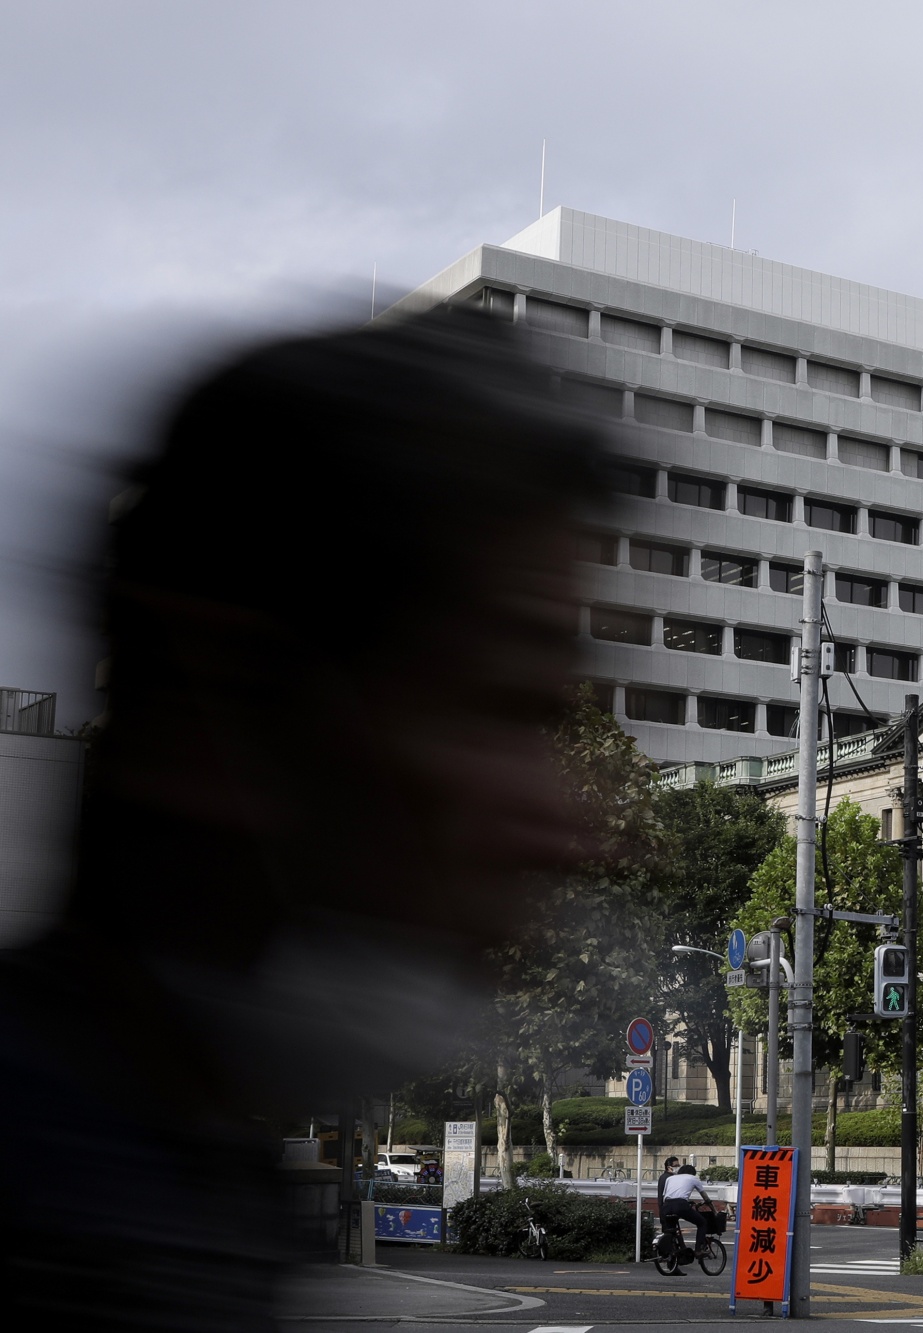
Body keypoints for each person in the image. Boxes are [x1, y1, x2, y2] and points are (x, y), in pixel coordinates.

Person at [0, 309, 603, 1328]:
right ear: (220, 701)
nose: (569, 828)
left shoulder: (189, 1196)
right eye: (498, 704)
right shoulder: (74, 1229)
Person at [658, 1164, 714, 1272]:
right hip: (680, 1205)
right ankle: (698, 1250)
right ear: (692, 1173)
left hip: (666, 1206)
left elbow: (668, 1195)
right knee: (702, 1223)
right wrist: (713, 1209)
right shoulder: (693, 1178)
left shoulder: (670, 1178)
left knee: (671, 1233)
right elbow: (705, 1197)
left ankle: (672, 1266)